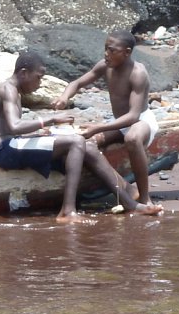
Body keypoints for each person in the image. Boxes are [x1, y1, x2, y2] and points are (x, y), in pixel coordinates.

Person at [0, 50, 163, 222]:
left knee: (89, 148)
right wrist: (50, 120)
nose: (39, 83)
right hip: (4, 152)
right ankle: (67, 211)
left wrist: (39, 134)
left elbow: (9, 128)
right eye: (38, 77)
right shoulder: (8, 89)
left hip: (14, 145)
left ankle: (129, 202)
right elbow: (14, 126)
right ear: (24, 73)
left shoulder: (14, 90)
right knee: (77, 141)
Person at [51, 30, 159, 206]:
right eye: (105, 49)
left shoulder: (138, 73)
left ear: (127, 52)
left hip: (141, 122)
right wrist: (64, 97)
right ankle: (125, 187)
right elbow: (77, 83)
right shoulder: (105, 65)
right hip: (120, 122)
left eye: (111, 50)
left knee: (132, 138)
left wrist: (99, 127)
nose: (106, 54)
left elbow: (133, 116)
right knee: (87, 143)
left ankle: (145, 196)